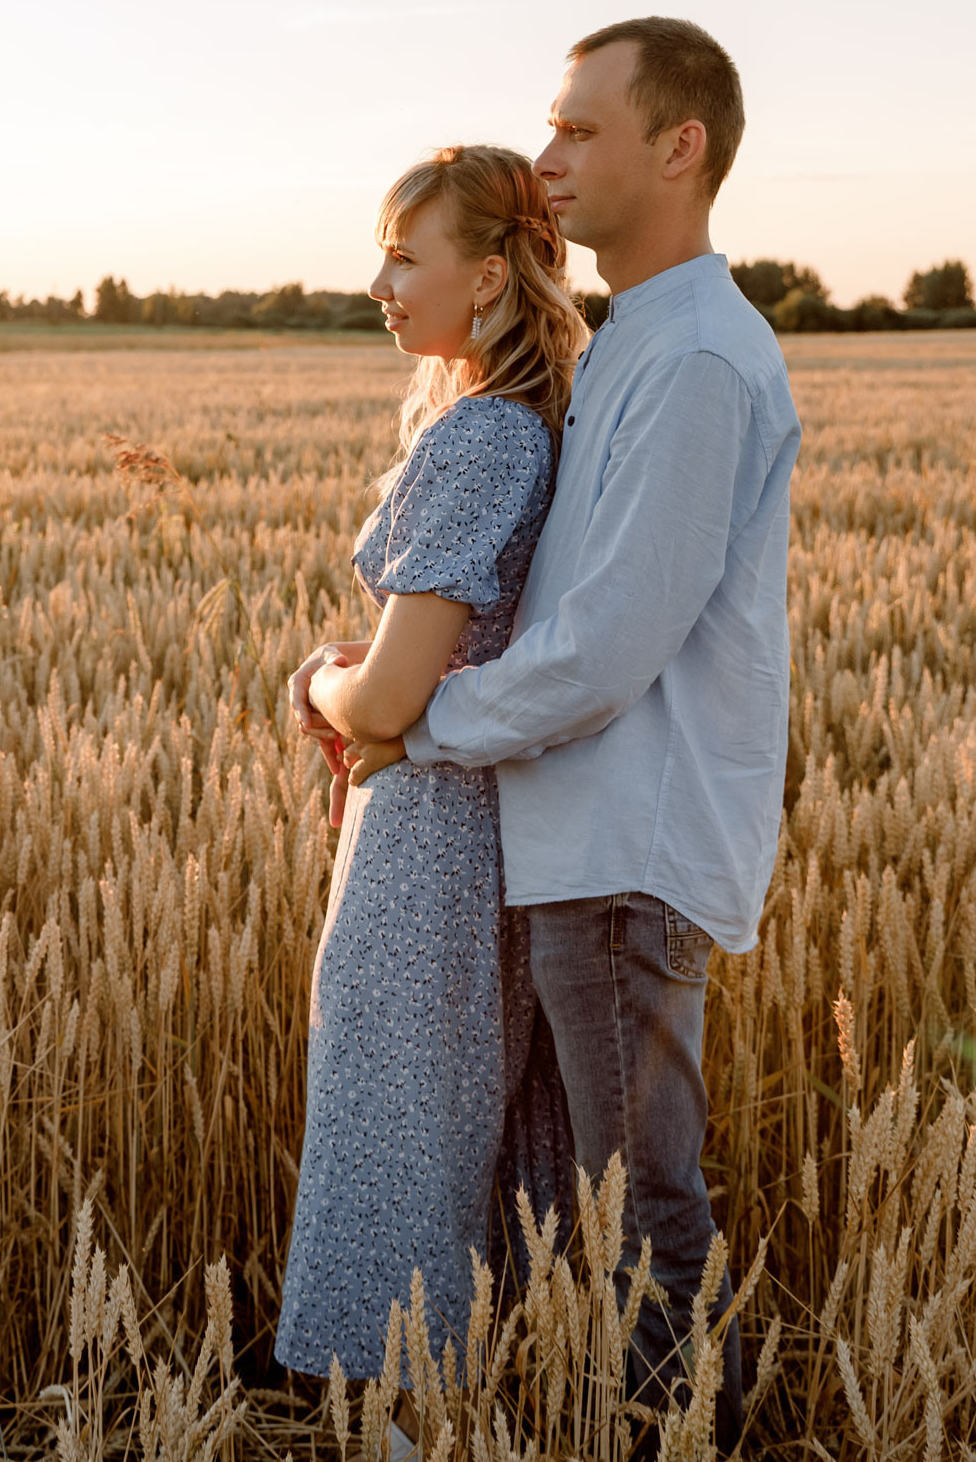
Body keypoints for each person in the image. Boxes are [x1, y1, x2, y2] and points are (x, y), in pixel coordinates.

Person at [341, 17, 799, 1446]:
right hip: (579, 841)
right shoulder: (630, 347)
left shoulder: (696, 361)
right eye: (550, 126)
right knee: (585, 1206)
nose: (547, 158)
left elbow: (606, 648)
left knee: (641, 1215)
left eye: (582, 128)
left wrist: (413, 725)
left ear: (682, 147)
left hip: (622, 848)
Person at [271, 144, 586, 1433]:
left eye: (407, 256)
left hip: (428, 844)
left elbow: (394, 700)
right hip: (491, 822)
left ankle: (408, 1432)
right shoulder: (538, 422)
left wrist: (320, 685)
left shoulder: (479, 434)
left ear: (493, 275)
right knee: (461, 1148)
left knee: (398, 1152)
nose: (381, 285)